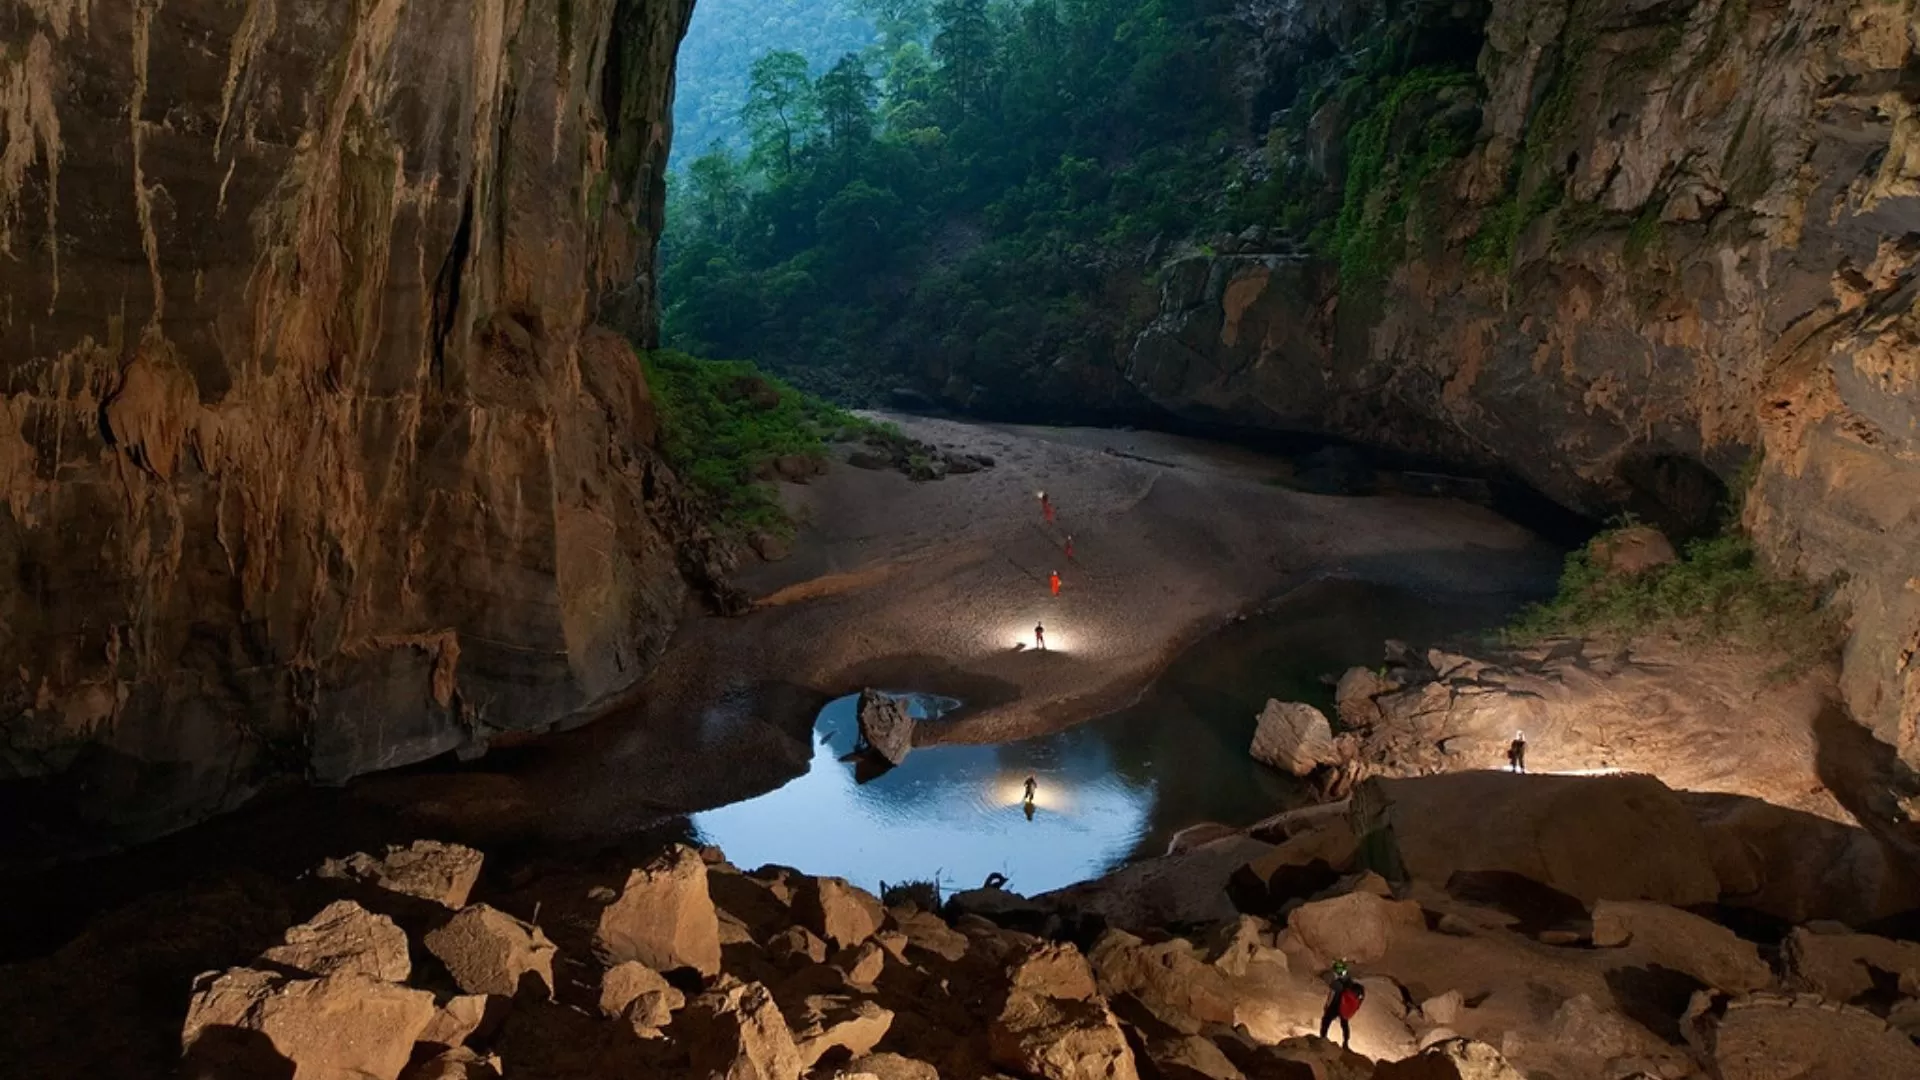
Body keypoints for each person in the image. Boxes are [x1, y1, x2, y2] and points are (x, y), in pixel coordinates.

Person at [1319, 959, 1365, 1049]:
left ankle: (1323, 1038)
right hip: (1344, 1007)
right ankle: (1345, 1043)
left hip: (1335, 1006)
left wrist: (1327, 1006)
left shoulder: (1336, 983)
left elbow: (1331, 995)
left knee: (1326, 1021)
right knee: (1344, 1024)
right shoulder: (1349, 981)